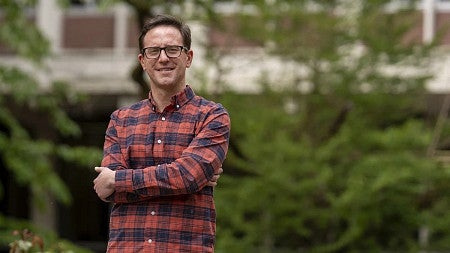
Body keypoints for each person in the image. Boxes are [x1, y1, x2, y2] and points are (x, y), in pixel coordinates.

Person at [93, 14, 230, 252]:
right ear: (143, 61)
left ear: (188, 58)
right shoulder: (121, 120)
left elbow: (188, 176)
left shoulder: (212, 116)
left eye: (172, 50)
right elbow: (108, 191)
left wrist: (119, 179)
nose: (163, 58)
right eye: (154, 51)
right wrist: (182, 179)